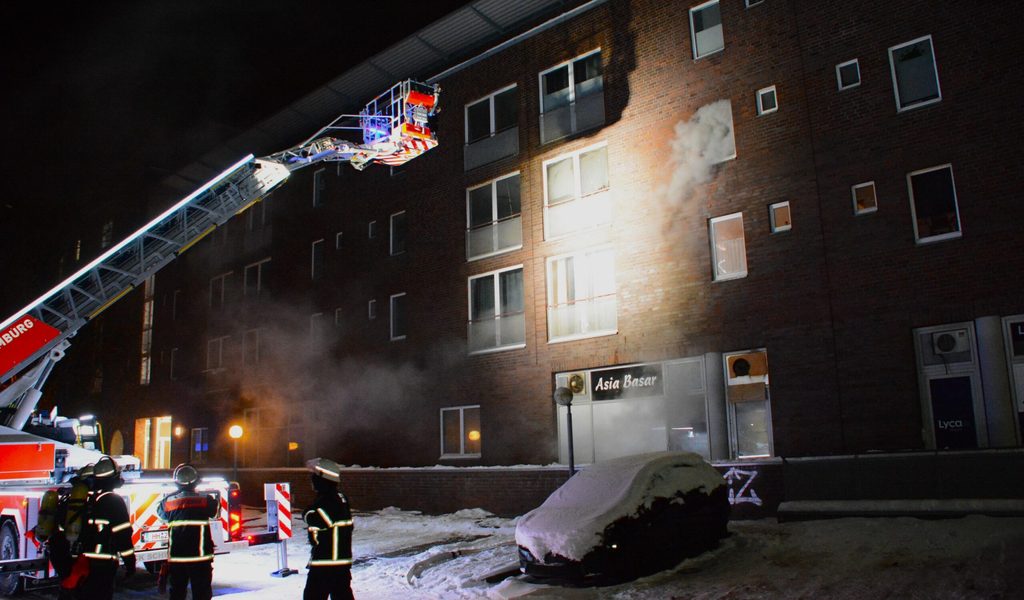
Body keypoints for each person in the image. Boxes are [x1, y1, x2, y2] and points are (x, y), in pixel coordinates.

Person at [76, 456, 135, 600]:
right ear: (113, 477)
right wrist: (130, 563)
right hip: (103, 564)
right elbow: (123, 535)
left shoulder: (88, 498)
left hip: (82, 560)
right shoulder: (114, 501)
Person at [157, 463, 218, 600]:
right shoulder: (205, 501)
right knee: (201, 594)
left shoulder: (168, 502)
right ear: (196, 480)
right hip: (200, 558)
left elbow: (161, 514)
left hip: (178, 558)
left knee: (177, 593)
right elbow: (214, 510)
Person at [303, 458, 354, 600]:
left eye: (315, 476)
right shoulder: (339, 497)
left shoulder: (328, 500)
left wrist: (306, 512)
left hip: (326, 563)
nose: (312, 480)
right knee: (342, 595)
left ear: (323, 479)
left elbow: (317, 520)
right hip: (339, 563)